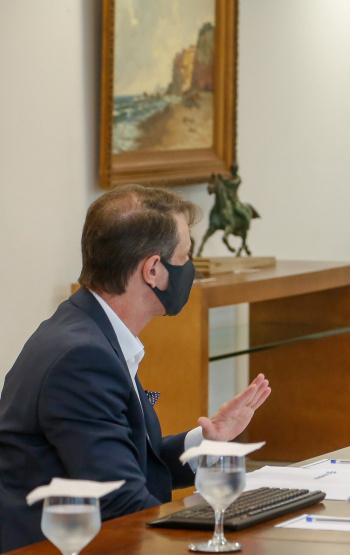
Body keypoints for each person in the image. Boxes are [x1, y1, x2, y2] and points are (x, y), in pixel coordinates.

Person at [0, 185, 271, 552]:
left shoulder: (88, 329)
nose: (189, 270)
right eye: (185, 257)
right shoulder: (82, 358)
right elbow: (123, 503)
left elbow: (126, 460)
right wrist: (212, 538)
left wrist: (204, 442)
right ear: (154, 270)